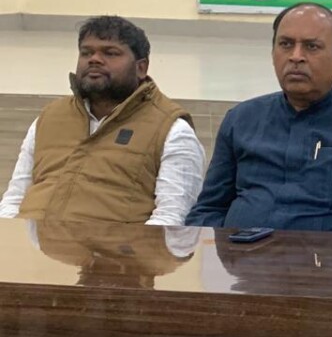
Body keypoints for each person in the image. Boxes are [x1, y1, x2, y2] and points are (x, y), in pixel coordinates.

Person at [187, 2, 332, 233]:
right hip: (241, 253)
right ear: (272, 53)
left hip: (330, 256)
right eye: (286, 44)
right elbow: (209, 209)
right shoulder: (240, 120)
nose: (296, 57)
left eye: (311, 46)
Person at [0, 16, 204, 226]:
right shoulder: (50, 117)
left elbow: (171, 219)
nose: (94, 59)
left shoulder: (171, 129)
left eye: (110, 53)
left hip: (118, 247)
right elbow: (14, 198)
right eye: (86, 52)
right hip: (29, 244)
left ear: (141, 68)